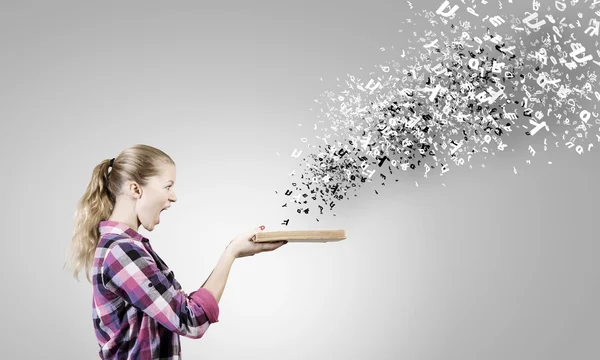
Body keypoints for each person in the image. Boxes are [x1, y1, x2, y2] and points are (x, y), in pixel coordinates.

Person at [62, 144, 287, 359]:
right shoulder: (122, 251)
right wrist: (232, 253)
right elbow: (191, 320)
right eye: (168, 186)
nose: (173, 197)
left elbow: (181, 309)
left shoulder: (126, 247)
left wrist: (234, 251)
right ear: (135, 189)